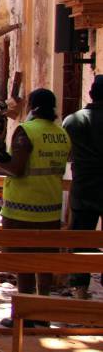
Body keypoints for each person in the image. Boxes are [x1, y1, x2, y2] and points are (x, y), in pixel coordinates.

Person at [0, 89, 70, 300]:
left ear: (32, 107)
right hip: (51, 207)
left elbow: (17, 168)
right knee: (44, 260)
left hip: (23, 208)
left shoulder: (26, 131)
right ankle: (43, 308)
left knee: (23, 261)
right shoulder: (62, 134)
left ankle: (25, 310)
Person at [64, 75, 103, 299]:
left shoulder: (74, 120)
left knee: (81, 236)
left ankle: (80, 287)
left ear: (90, 94)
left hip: (84, 185)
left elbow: (67, 151)